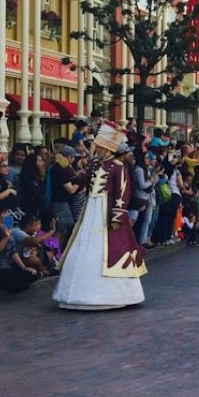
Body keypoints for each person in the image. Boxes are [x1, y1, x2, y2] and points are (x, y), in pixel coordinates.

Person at [53, 121, 147, 310]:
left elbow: (123, 192)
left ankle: (115, 295)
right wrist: (65, 168)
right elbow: (79, 179)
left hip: (107, 210)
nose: (97, 149)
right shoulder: (95, 164)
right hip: (91, 209)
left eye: (101, 147)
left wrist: (118, 216)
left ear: (108, 148)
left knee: (113, 249)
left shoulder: (119, 167)